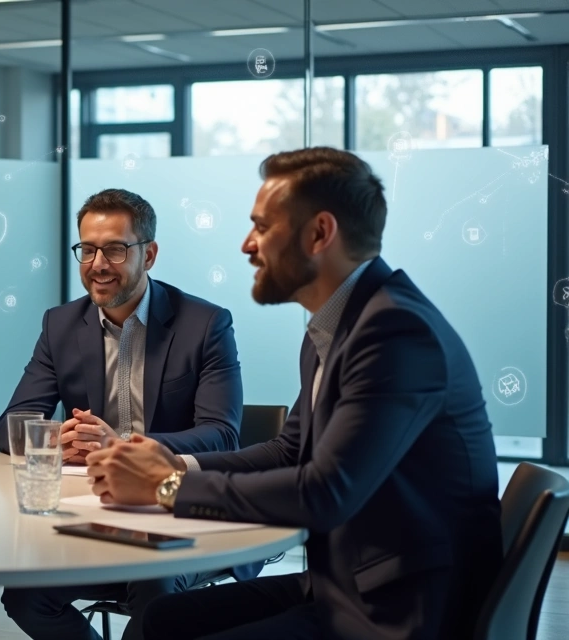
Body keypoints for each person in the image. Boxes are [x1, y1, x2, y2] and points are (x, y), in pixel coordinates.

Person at [88, 148, 502, 640]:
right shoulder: (333, 327)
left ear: (319, 233)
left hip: (401, 611)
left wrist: (166, 487)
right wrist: (174, 465)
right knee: (159, 621)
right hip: (346, 585)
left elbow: (324, 493)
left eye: (263, 227)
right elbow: (289, 451)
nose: (247, 245)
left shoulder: (394, 332)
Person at [0, 188, 256, 640]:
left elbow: (221, 435)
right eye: (88, 249)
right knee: (23, 594)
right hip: (98, 516)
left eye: (115, 249)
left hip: (180, 513)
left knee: (154, 590)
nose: (98, 264)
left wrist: (124, 446)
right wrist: (57, 438)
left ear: (149, 254)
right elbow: (10, 426)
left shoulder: (206, 324)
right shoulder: (60, 325)